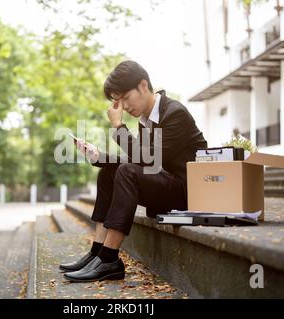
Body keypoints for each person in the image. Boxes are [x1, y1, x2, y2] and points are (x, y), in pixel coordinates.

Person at [60, 60, 207, 282]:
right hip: (165, 184)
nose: (125, 107)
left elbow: (147, 160)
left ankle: (109, 258)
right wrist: (100, 157)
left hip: (187, 192)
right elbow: (140, 160)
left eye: (126, 98)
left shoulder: (174, 113)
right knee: (108, 172)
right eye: (119, 102)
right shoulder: (146, 120)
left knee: (126, 171)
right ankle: (97, 253)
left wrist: (118, 127)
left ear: (143, 86)